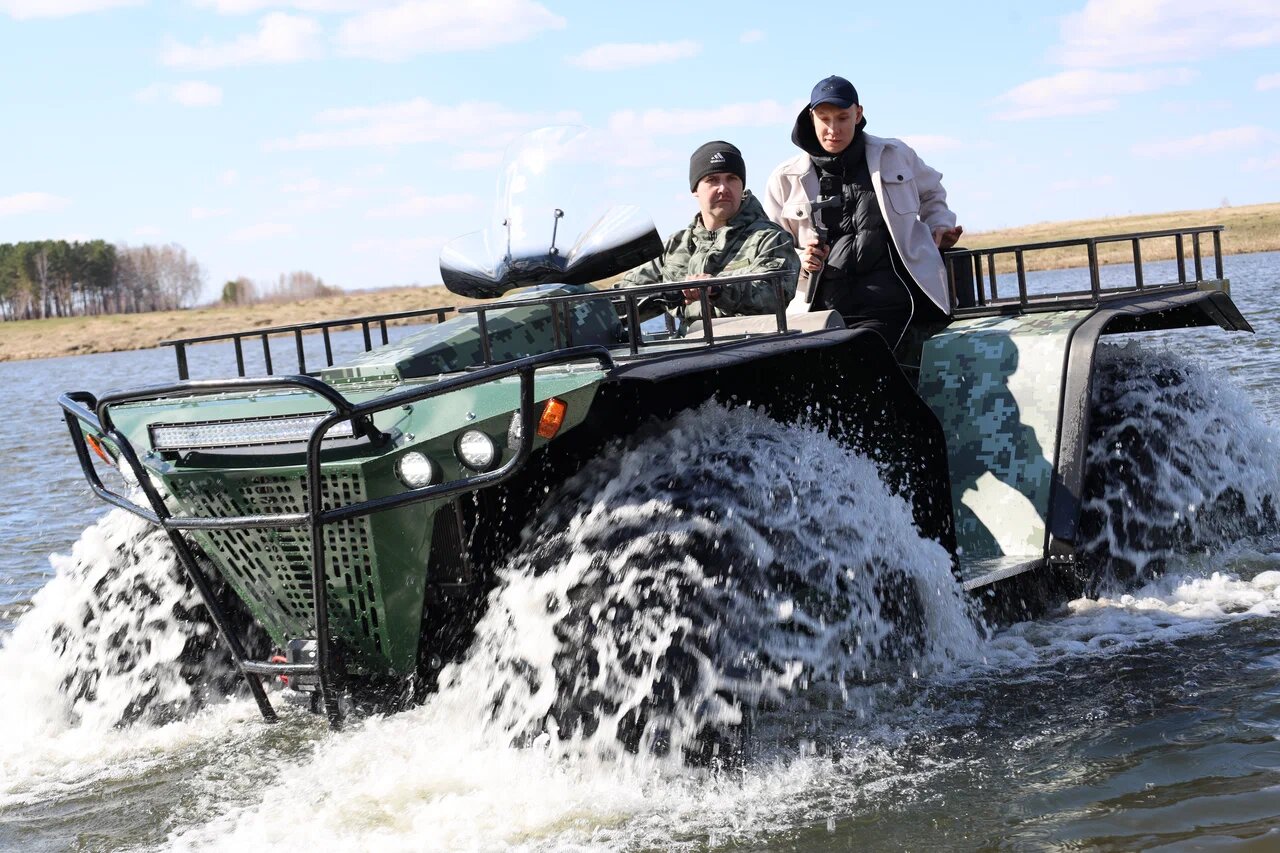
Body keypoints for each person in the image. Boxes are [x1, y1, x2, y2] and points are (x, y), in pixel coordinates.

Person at [763, 75, 963, 348]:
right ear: (812, 117)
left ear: (858, 115)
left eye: (842, 118)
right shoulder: (784, 178)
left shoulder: (895, 154)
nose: (833, 129)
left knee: (871, 361)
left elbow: (932, 193)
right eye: (824, 118)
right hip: (818, 312)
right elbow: (773, 247)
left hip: (892, 303)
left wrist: (939, 226)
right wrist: (801, 257)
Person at [619, 140, 799, 319]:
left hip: (746, 342)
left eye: (732, 178)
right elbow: (625, 296)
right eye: (712, 180)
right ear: (695, 189)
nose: (723, 188)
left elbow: (774, 295)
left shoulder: (770, 239)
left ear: (741, 185)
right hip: (689, 343)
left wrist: (717, 289)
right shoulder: (674, 246)